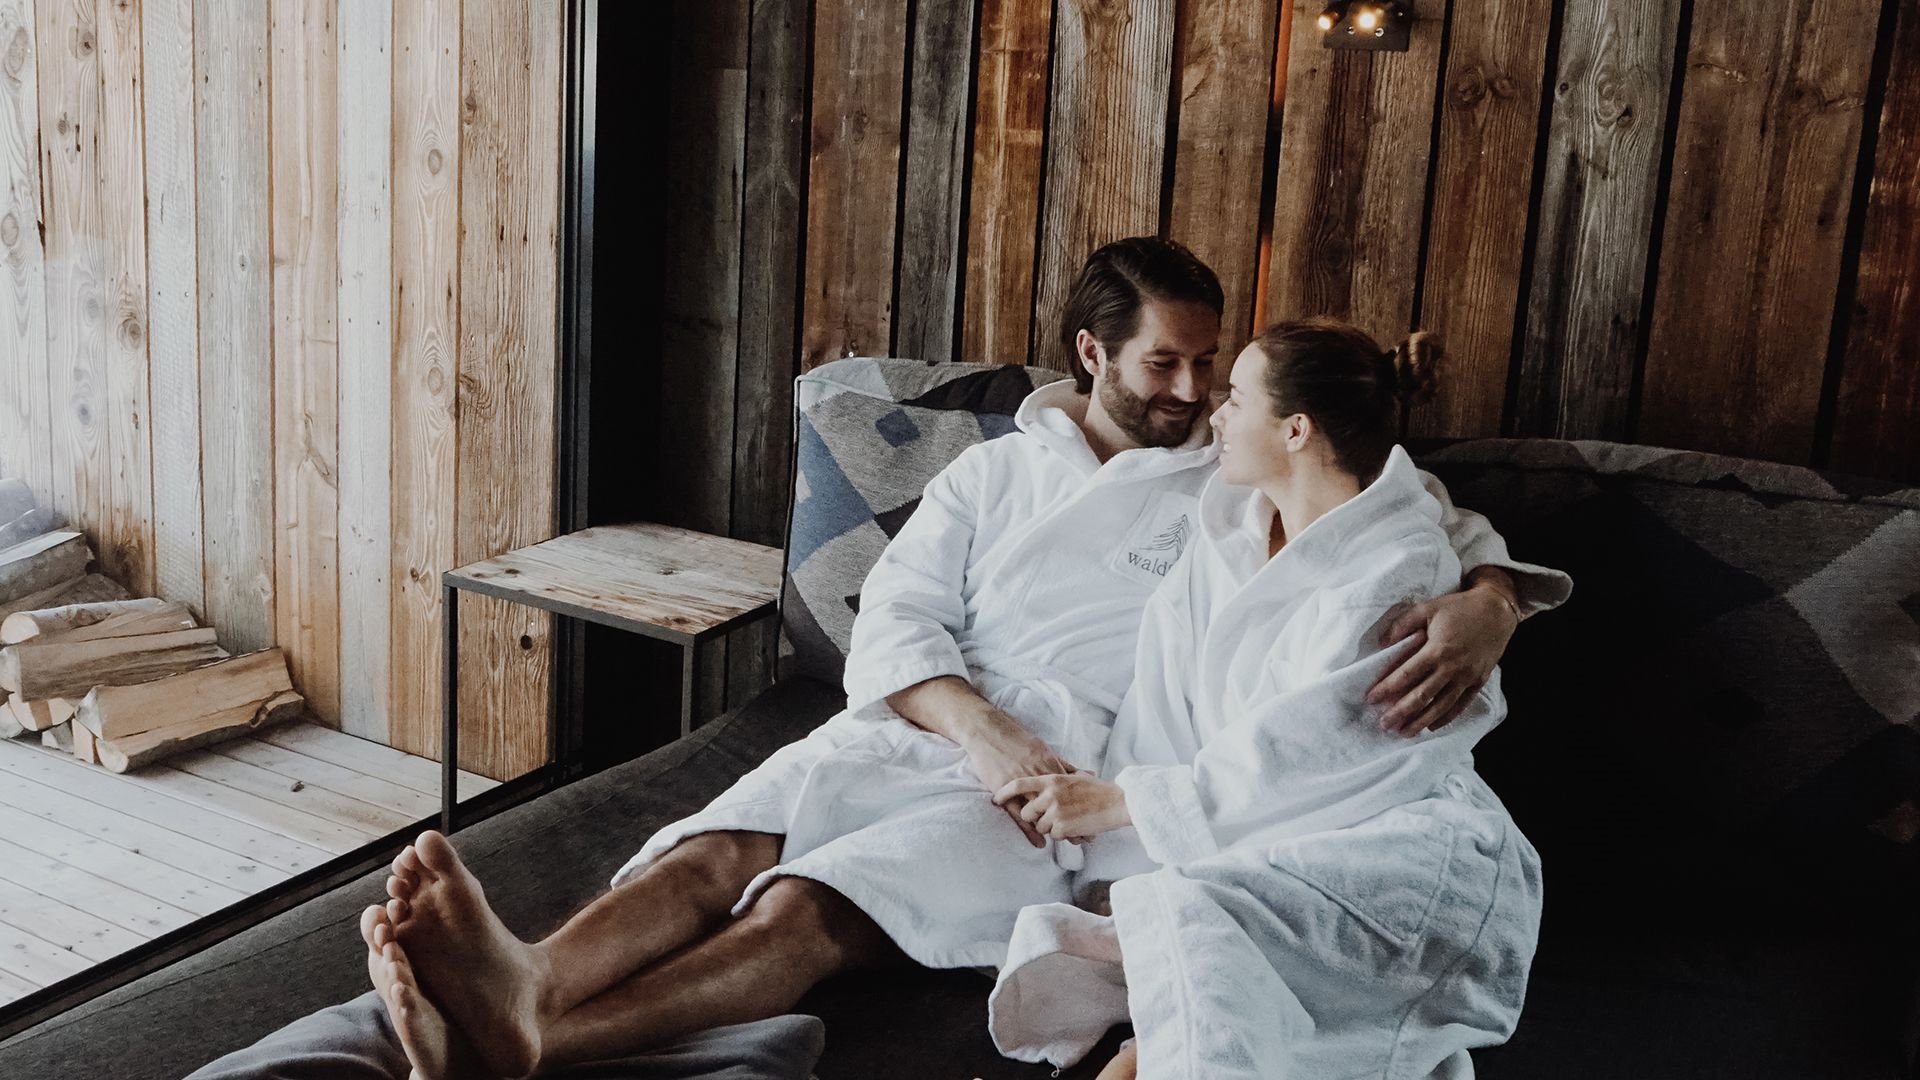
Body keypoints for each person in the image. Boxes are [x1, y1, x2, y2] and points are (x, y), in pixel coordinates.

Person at [189, 240, 1558, 1080]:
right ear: (1090, 351)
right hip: (944, 725)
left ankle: (544, 1036)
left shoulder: (1229, 471)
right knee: (718, 847)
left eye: (1212, 370)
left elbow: (1406, 513)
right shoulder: (988, 478)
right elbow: (897, 627)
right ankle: (530, 979)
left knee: (809, 905)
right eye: (1166, 364)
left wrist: (1492, 598)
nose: (1195, 394)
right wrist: (974, 728)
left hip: (1076, 774)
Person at [985, 319, 1560, 1080]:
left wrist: (1126, 806)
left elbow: (1324, 747)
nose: (1211, 413)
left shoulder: (1398, 564)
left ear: (1295, 429)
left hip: (1393, 832)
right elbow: (1164, 703)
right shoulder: (1226, 530)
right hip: (1245, 822)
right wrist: (1127, 847)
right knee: (1186, 927)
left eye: (1235, 398)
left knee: (1198, 921)